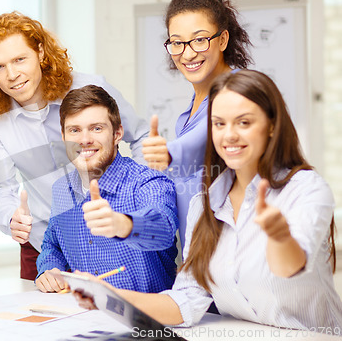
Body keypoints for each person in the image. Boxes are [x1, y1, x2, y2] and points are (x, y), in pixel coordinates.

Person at [73, 70, 342, 333]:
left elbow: (291, 268)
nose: (229, 135)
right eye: (219, 123)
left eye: (244, 122)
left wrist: (279, 236)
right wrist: (107, 296)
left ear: (272, 125)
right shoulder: (204, 204)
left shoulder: (305, 188)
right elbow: (186, 301)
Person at [0, 11, 149, 280]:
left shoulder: (92, 88)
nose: (12, 74)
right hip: (44, 246)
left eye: (19, 59)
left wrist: (137, 204)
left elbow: (141, 137)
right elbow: (3, 188)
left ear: (40, 52)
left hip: (110, 236)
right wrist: (11, 219)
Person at [35, 85, 178, 294]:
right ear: (64, 137)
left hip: (145, 321)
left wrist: (123, 224)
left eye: (96, 128)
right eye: (74, 130)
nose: (84, 140)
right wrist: (49, 269)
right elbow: (52, 244)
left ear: (117, 133)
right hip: (85, 317)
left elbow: (163, 228)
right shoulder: (61, 190)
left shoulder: (148, 181)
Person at [142, 0, 252, 253]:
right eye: (177, 43)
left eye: (200, 40)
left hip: (233, 253)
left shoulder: (239, 89)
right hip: (198, 255)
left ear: (223, 39)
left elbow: (205, 139)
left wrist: (169, 153)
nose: (188, 54)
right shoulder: (187, 114)